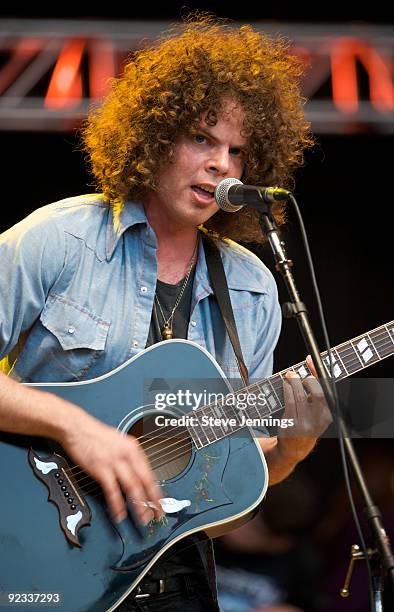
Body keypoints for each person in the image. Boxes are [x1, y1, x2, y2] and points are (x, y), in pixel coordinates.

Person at [0, 14, 331, 611]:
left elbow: (219, 501)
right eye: (203, 139)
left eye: (237, 151)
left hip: (176, 579)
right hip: (37, 553)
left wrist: (291, 451)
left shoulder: (252, 289)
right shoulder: (59, 239)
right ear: (154, 137)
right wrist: (76, 427)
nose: (221, 165)